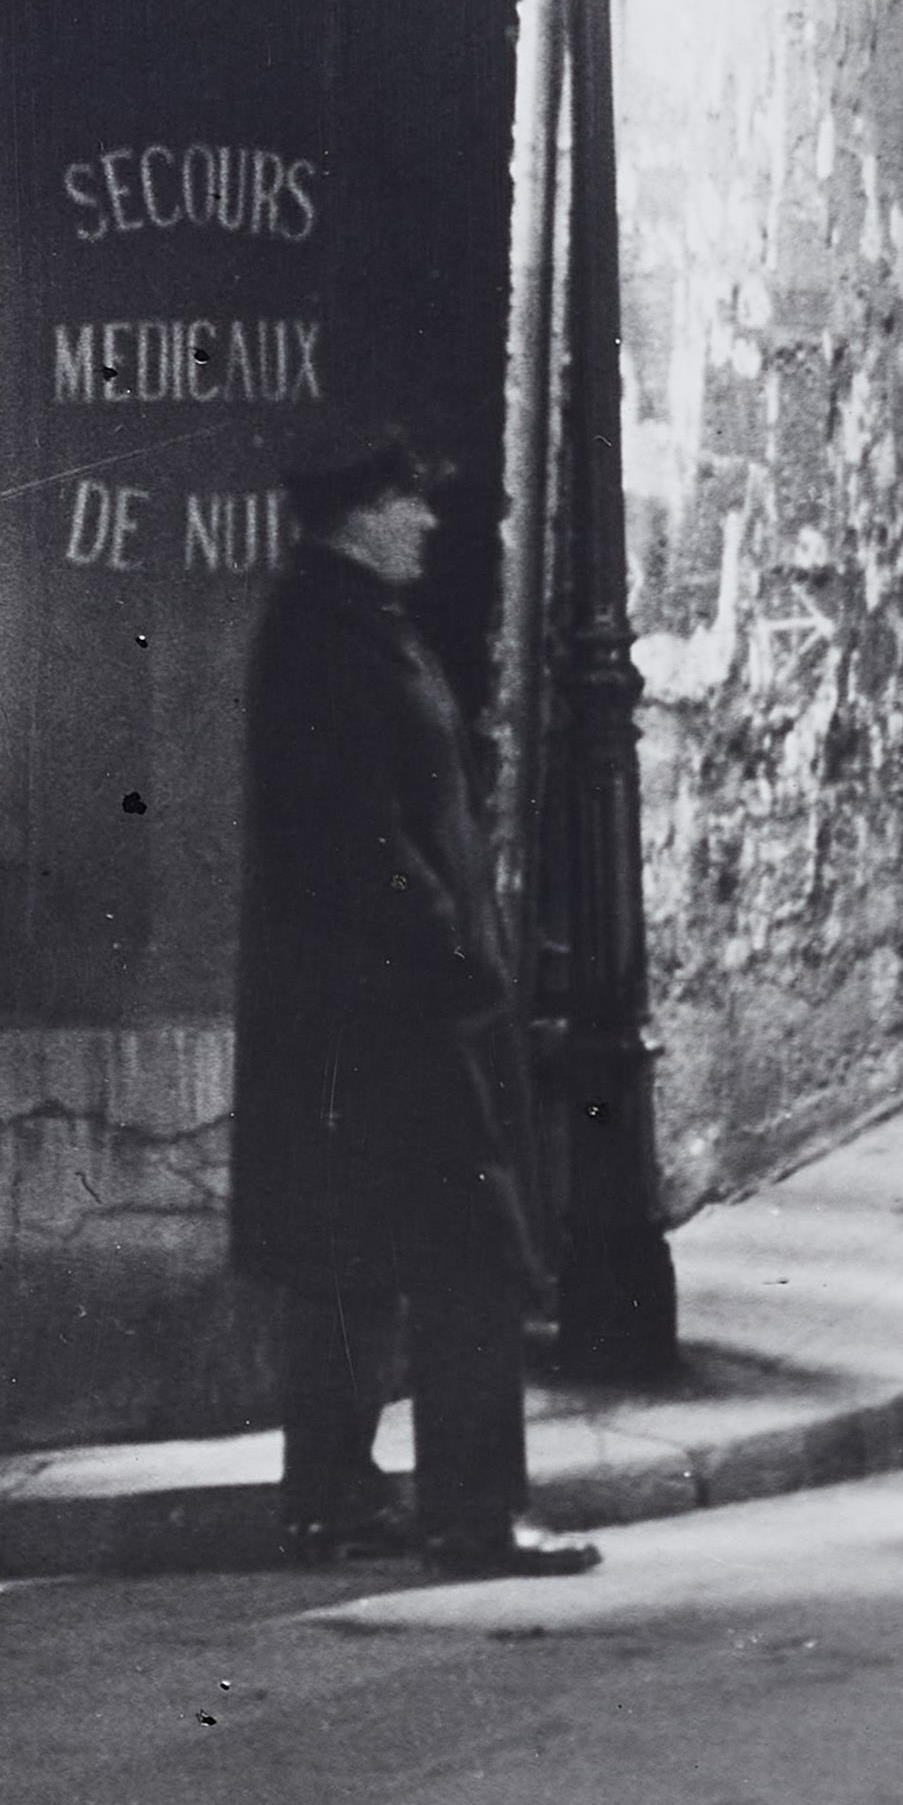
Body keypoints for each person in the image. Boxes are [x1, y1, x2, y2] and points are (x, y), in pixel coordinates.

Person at [229, 429, 599, 1579]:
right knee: (470, 1255)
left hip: (351, 1012)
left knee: (346, 1258)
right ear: (359, 512)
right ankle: (474, 1514)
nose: (429, 522)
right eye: (410, 501)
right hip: (398, 1009)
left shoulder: (334, 621)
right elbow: (362, 838)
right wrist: (456, 958)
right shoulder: (332, 636)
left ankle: (331, 1503)